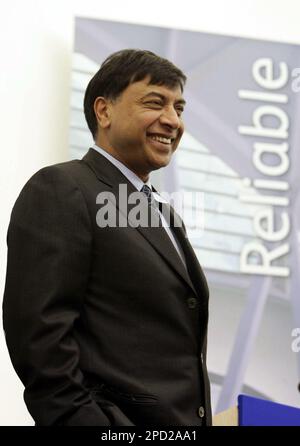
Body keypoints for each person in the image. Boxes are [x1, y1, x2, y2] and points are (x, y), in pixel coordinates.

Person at [2, 49, 211, 426]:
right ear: (104, 111)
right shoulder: (63, 189)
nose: (172, 121)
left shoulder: (166, 214)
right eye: (155, 103)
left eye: (179, 109)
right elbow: (40, 343)